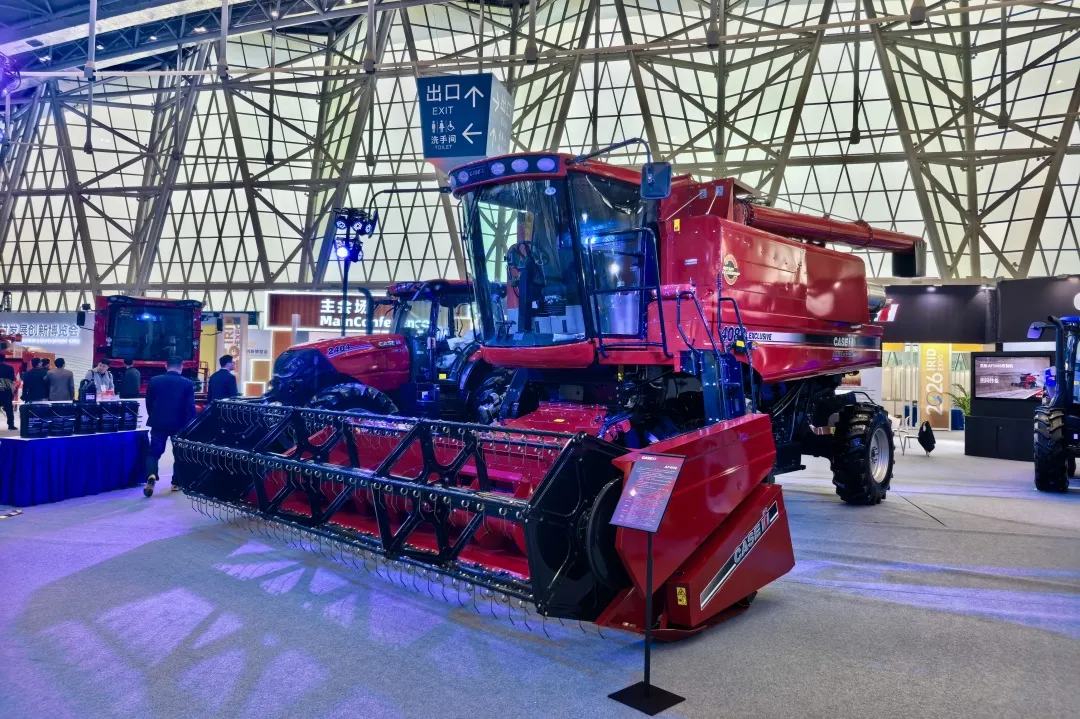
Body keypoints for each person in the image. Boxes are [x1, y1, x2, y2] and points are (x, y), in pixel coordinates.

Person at [144, 355, 195, 497]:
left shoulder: (154, 380)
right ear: (182, 367)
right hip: (179, 424)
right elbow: (190, 406)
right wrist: (191, 424)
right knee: (179, 453)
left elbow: (148, 402)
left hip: (158, 422)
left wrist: (154, 415)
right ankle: (176, 483)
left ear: (166, 366)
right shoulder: (187, 383)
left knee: (154, 452)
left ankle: (151, 474)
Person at [0, 353, 15, 430]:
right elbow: (11, 380)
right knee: (9, 409)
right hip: (6, 391)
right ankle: (11, 425)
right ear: (4, 359)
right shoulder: (9, 368)